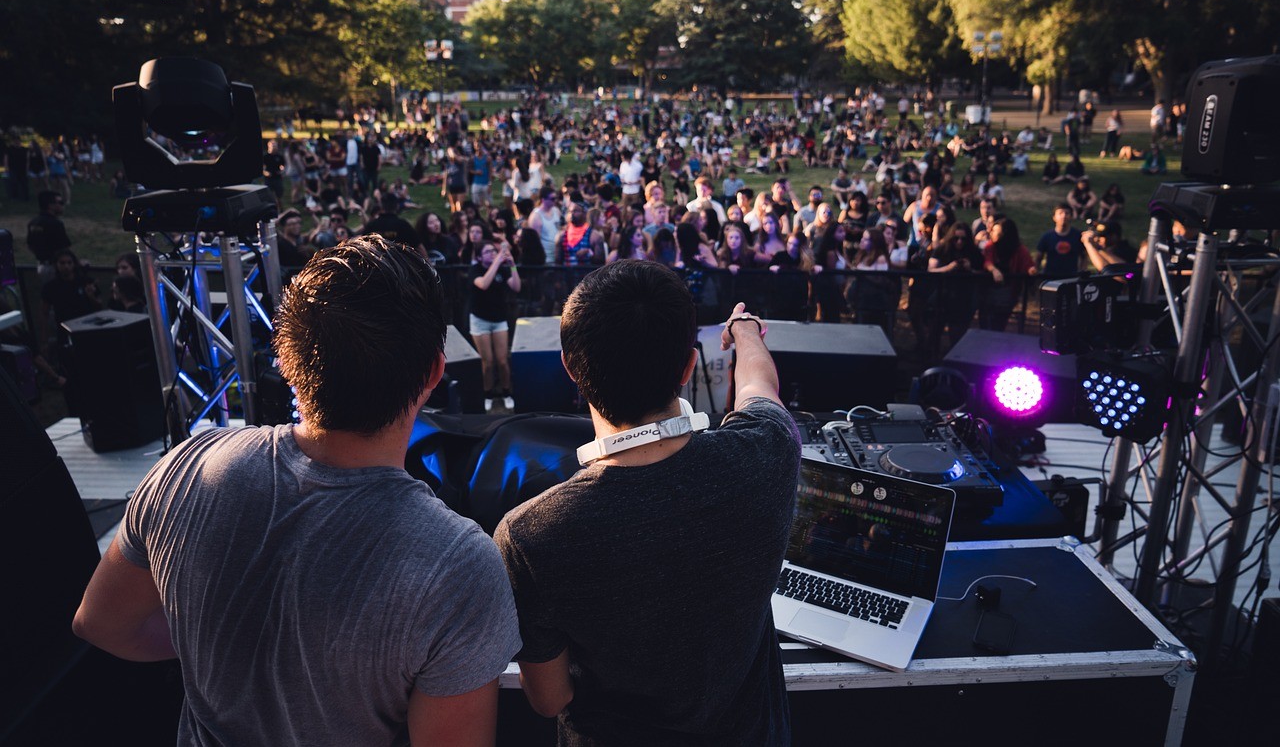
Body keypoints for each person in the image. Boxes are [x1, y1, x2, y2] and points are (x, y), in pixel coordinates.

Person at [72, 235, 520, 746]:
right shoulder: (459, 567)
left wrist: (213, 638)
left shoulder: (186, 468)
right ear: (435, 373)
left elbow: (100, 623)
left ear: (285, 363)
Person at [494, 264, 800, 745]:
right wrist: (745, 330)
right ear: (687, 366)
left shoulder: (530, 535)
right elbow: (759, 388)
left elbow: (548, 699)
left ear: (571, 368)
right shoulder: (767, 451)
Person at [470, 239, 521, 411]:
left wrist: (512, 265)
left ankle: (507, 392)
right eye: (488, 252)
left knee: (502, 360)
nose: (492, 253)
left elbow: (516, 287)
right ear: (479, 256)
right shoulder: (475, 269)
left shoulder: (503, 270)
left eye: (494, 250)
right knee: (488, 362)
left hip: (499, 319)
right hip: (480, 320)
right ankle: (488, 394)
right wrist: (498, 261)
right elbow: (483, 284)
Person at [26, 190, 71, 282]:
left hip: (41, 266)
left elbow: (30, 245)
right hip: (56, 268)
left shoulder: (33, 223)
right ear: (51, 206)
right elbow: (64, 248)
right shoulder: (55, 224)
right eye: (60, 203)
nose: (63, 206)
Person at [1035, 204, 1085, 280]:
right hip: (1050, 279)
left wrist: (1082, 272)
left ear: (1071, 216)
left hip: (1072, 279)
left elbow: (1084, 256)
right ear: (1054, 217)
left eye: (1067, 213)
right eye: (1060, 213)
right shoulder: (1047, 237)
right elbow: (1038, 258)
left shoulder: (1078, 236)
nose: (1064, 216)